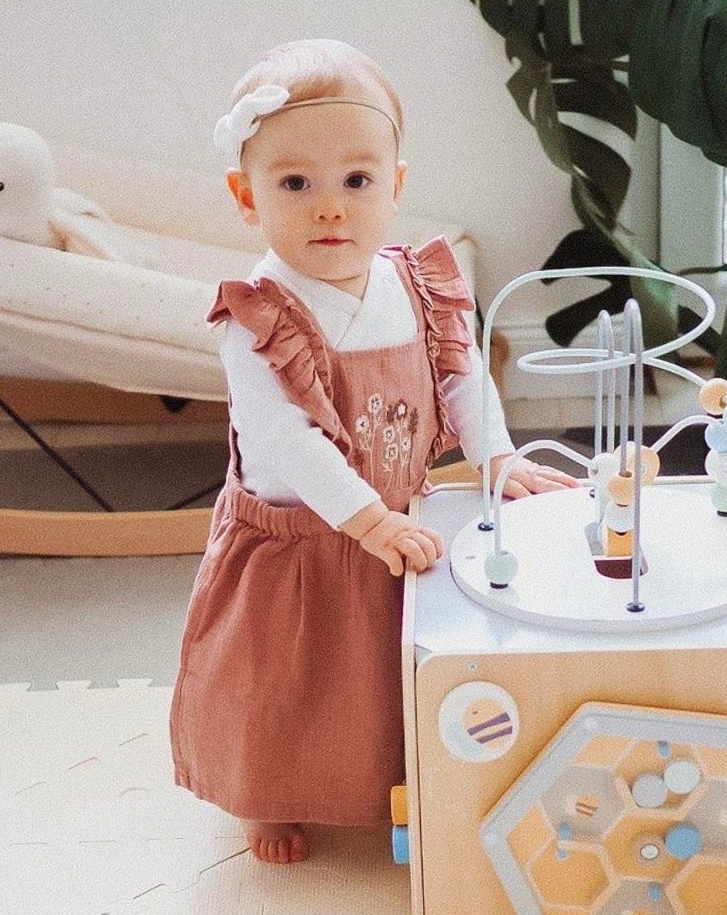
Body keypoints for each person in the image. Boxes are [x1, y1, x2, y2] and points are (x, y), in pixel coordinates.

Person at [169, 39, 575, 863]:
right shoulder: (260, 319)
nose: (330, 208)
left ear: (395, 185)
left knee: (379, 680)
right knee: (286, 683)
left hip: (397, 520)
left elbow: (460, 379)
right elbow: (287, 440)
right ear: (246, 197)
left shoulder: (414, 286)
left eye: (356, 181)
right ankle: (268, 795)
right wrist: (368, 521)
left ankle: (398, 777)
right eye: (295, 184)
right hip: (299, 542)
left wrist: (497, 458)